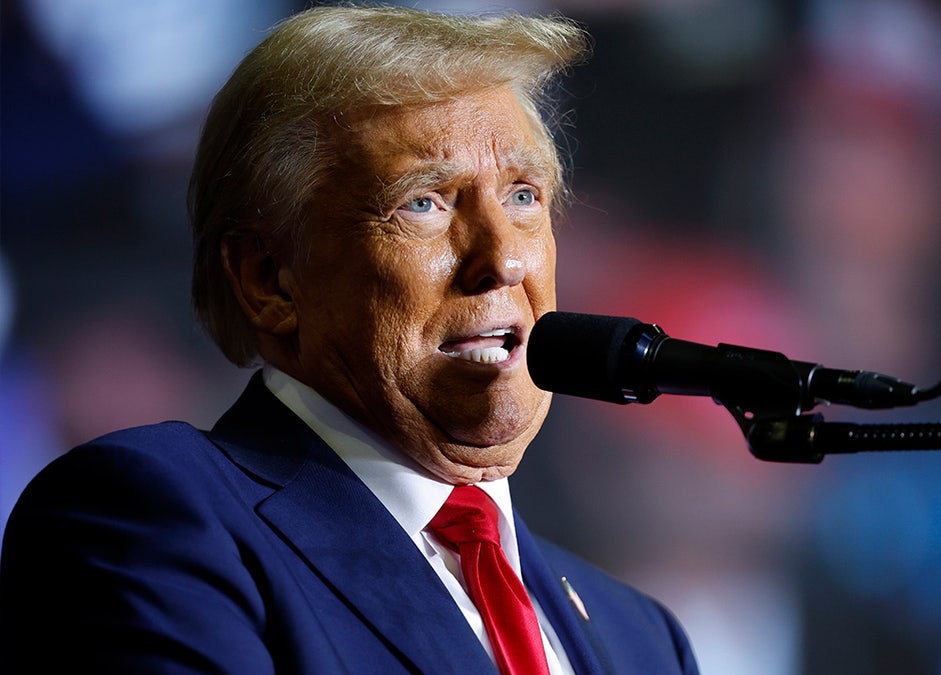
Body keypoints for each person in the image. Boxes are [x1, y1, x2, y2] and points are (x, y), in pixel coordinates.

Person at [0, 6, 700, 674]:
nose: (504, 260)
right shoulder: (160, 515)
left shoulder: (638, 636)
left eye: (523, 196)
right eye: (423, 202)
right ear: (269, 277)